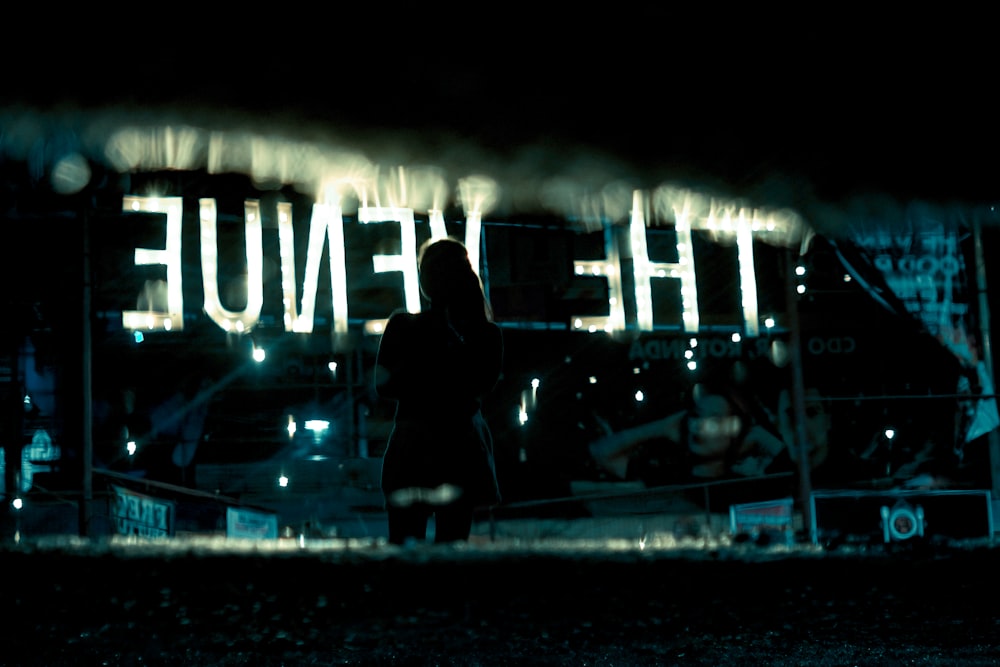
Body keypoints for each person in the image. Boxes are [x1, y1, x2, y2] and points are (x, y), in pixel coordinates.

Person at [375, 237, 504, 545]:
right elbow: (480, 387)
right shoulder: (485, 334)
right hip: (458, 446)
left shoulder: (403, 325)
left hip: (413, 446)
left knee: (405, 549)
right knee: (452, 551)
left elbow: (385, 386)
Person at [589, 381, 786, 487]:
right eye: (696, 416)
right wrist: (661, 427)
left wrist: (760, 436)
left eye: (714, 421)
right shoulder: (666, 478)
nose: (699, 426)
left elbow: (798, 482)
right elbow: (601, 452)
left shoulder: (743, 487)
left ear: (735, 431)